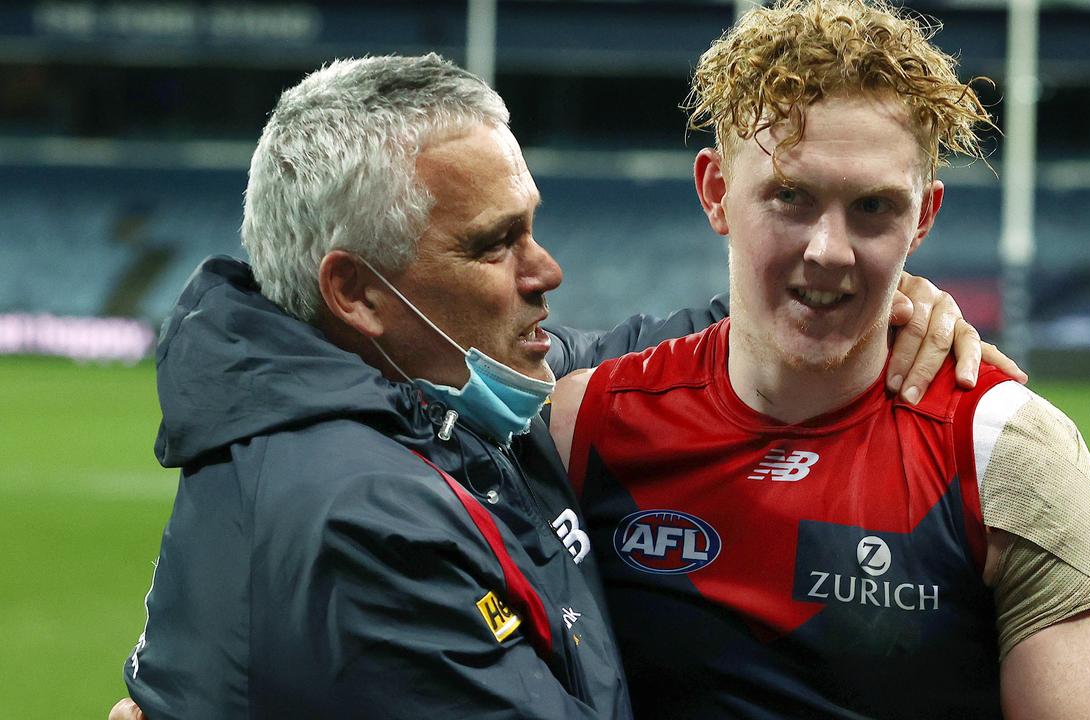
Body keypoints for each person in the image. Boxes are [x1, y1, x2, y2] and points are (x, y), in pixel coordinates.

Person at [115, 53, 1005, 719]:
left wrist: (846, 295)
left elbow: (650, 359)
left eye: (531, 226)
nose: (547, 268)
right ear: (357, 293)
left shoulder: (428, 395)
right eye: (494, 245)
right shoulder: (357, 516)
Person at [552, 1, 1090, 718]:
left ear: (923, 218)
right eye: (790, 196)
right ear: (716, 192)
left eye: (873, 207)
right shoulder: (585, 424)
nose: (829, 250)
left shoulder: (1008, 456)